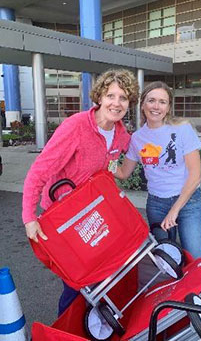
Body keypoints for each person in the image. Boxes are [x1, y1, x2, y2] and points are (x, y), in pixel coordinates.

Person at [22, 69, 139, 315]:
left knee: (103, 273)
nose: (116, 103)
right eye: (111, 95)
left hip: (93, 213)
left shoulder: (121, 135)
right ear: (99, 97)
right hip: (63, 214)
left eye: (123, 98)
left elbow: (113, 169)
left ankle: (94, 324)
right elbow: (39, 171)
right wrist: (29, 217)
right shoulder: (76, 126)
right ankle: (68, 327)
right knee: (77, 281)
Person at [115, 81, 201, 259]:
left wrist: (174, 210)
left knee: (195, 260)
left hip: (188, 203)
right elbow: (124, 173)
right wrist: (105, 160)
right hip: (156, 204)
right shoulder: (137, 138)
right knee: (166, 260)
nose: (156, 106)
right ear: (143, 105)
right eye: (151, 100)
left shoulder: (182, 129)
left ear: (168, 107)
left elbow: (195, 176)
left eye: (162, 102)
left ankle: (199, 288)